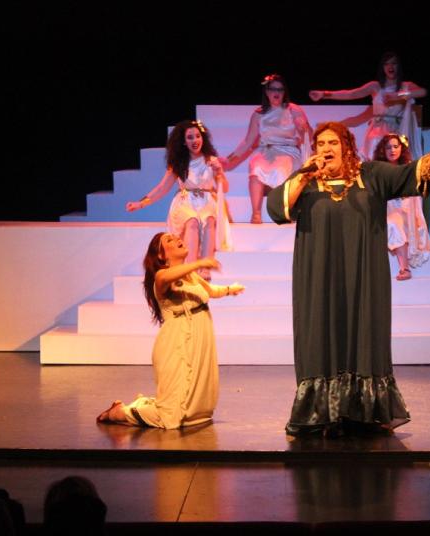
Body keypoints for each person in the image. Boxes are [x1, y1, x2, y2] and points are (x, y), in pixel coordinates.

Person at [266, 121, 430, 436]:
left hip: (364, 277)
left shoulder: (370, 175)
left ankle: (368, 410)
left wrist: (429, 163)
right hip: (319, 278)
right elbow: (276, 208)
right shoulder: (307, 182)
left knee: (365, 329)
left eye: (333, 142)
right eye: (321, 144)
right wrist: (304, 173)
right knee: (320, 330)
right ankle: (320, 411)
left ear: (346, 146)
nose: (326, 149)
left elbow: (405, 176)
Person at [96, 232, 244, 428]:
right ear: (161, 255)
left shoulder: (190, 276)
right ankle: (120, 413)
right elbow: (168, 276)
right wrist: (200, 263)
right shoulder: (161, 276)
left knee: (196, 410)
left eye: (176, 237)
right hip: (177, 343)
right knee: (170, 417)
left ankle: (141, 406)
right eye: (169, 240)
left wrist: (230, 289)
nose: (177, 239)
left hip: (198, 339)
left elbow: (210, 291)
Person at [127, 120, 231, 279]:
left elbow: (225, 188)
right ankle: (189, 269)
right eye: (190, 137)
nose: (195, 140)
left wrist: (219, 172)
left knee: (209, 219)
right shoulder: (178, 163)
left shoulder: (211, 160)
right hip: (185, 201)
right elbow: (162, 188)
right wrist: (141, 203)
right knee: (192, 221)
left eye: (197, 136)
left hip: (207, 200)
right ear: (183, 142)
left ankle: (205, 267)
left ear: (202, 138)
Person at [220, 74, 312, 223]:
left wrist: (304, 127)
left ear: (284, 92)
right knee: (256, 167)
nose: (277, 93)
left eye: (280, 89)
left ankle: (284, 211)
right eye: (273, 89)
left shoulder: (293, 110)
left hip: (288, 151)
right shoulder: (258, 114)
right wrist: (229, 159)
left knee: (281, 169)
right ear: (267, 92)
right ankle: (256, 213)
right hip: (266, 151)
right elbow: (247, 141)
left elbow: (309, 136)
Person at [309, 52, 426, 159]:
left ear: (399, 66)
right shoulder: (375, 86)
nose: (390, 67)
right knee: (377, 149)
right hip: (378, 131)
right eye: (386, 64)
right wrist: (324, 94)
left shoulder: (406, 86)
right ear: (383, 68)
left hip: (399, 129)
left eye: (394, 63)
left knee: (399, 152)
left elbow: (422, 92)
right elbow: (351, 94)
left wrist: (398, 95)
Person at [373, 134, 430, 280]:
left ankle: (404, 269)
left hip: (403, 209)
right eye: (388, 147)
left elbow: (415, 194)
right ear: (383, 150)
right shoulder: (377, 169)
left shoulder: (407, 168)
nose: (392, 150)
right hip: (383, 208)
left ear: (401, 148)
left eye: (395, 146)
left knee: (394, 223)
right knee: (390, 222)